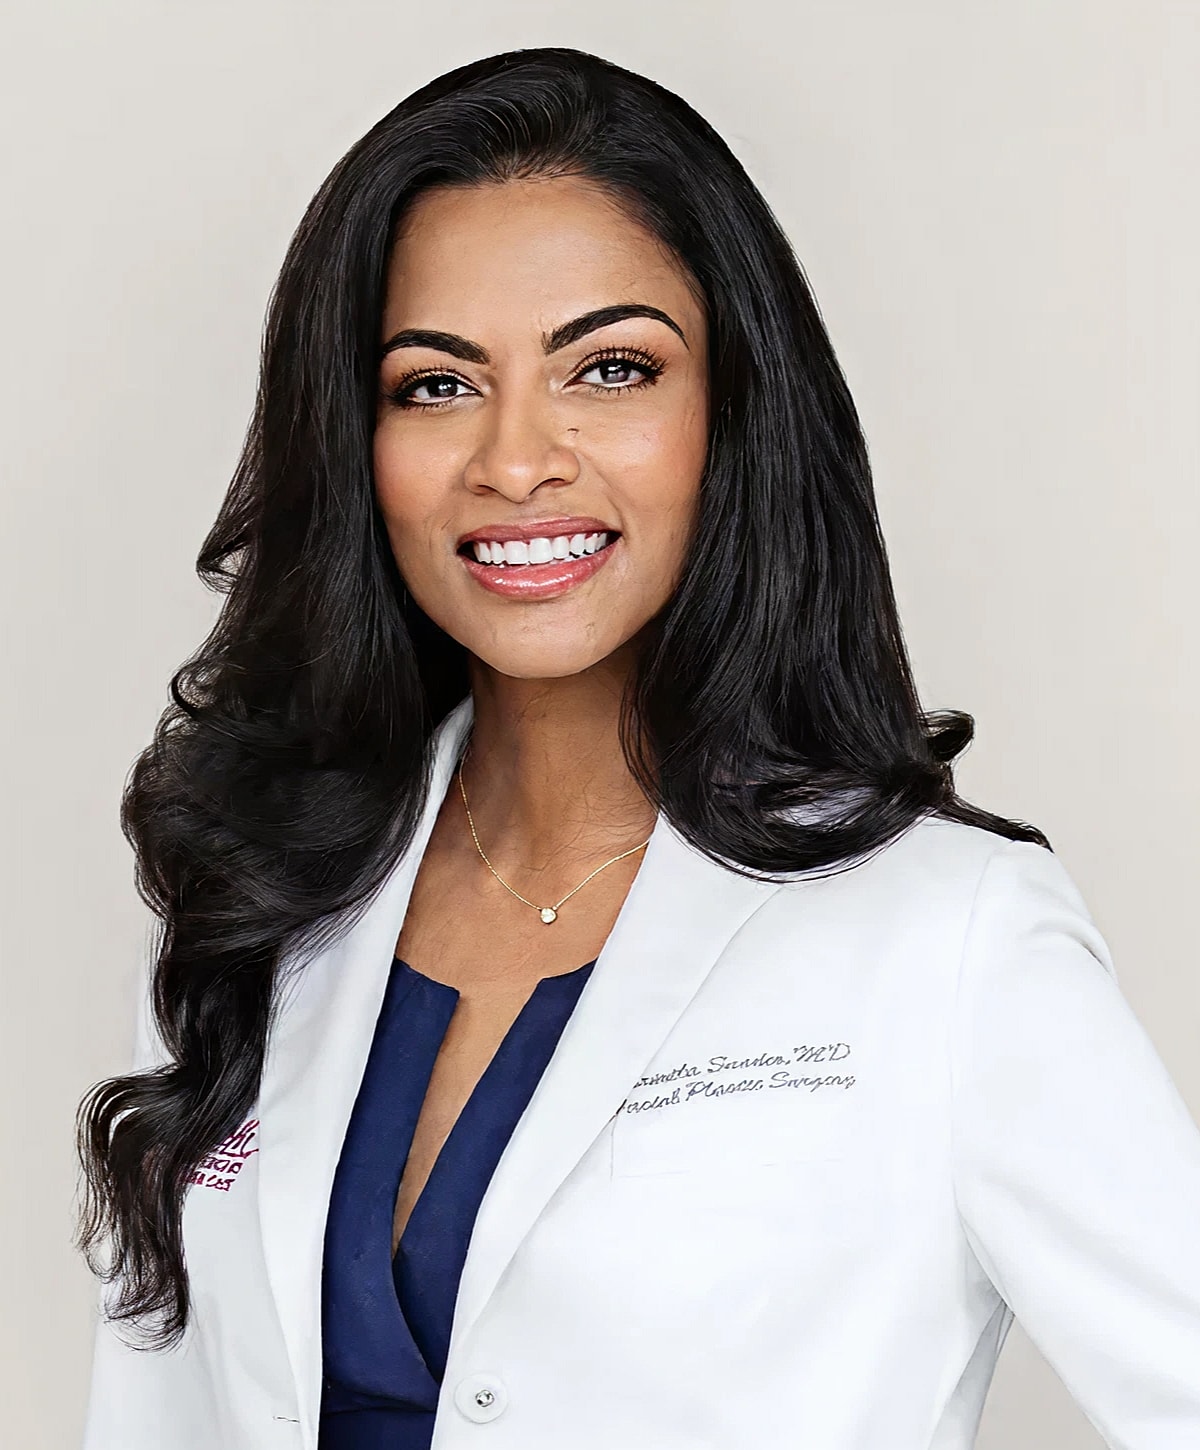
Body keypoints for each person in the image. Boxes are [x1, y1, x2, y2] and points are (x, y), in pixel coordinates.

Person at [77, 45, 1200, 1450]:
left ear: (731, 415)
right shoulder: (259, 906)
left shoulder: (952, 940)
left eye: (610, 368)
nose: (518, 458)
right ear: (352, 441)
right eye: (435, 384)